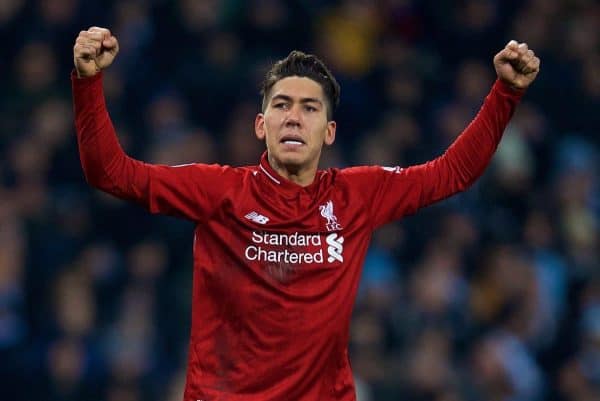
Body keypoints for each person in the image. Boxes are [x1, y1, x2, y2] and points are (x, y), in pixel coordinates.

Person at [72, 26, 540, 401]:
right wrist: (88, 83)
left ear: (329, 131)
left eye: (309, 108)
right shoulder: (218, 191)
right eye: (281, 105)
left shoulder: (358, 195)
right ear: (262, 125)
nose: (293, 117)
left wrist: (505, 93)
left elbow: (452, 173)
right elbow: (110, 173)